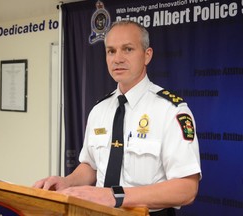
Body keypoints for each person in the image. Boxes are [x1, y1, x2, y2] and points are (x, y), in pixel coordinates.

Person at [33, 20, 201, 215]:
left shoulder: (170, 111)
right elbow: (91, 166)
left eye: (127, 49)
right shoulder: (99, 110)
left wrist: (115, 196)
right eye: (111, 51)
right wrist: (66, 181)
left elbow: (187, 189)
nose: (117, 58)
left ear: (147, 55)